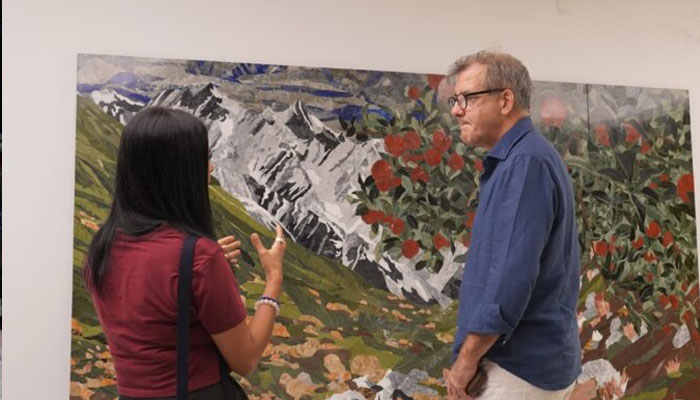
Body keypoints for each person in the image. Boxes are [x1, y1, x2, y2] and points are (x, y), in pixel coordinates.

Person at [84, 107, 286, 399]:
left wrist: (193, 264)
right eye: (203, 159)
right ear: (179, 171)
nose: (211, 168)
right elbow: (246, 358)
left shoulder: (102, 248)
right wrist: (274, 278)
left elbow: (150, 302)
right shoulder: (200, 258)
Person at [442, 51, 581, 399]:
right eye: (454, 101)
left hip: (517, 372)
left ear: (505, 100)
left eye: (466, 99)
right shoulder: (521, 160)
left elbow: (509, 282)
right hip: (525, 369)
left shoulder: (525, 165)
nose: (457, 110)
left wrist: (465, 363)